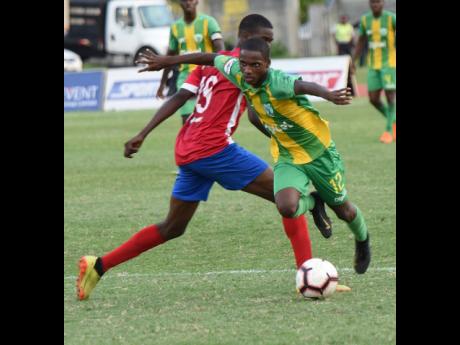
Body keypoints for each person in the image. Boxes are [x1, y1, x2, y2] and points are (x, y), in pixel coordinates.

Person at [76, 14, 347, 301]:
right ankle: (308, 273)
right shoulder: (247, 68)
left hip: (190, 150)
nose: (266, 46)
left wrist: (144, 132)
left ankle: (98, 265)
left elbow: (182, 96)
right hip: (214, 148)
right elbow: (242, 104)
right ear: (244, 38)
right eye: (264, 40)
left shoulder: (217, 66)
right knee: (288, 197)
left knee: (172, 227)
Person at [136, 38, 371, 277]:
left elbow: (304, 86)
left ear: (267, 64)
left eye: (255, 65)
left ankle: (362, 239)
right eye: (244, 64)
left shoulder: (278, 82)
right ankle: (313, 202)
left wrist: (329, 95)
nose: (248, 70)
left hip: (319, 154)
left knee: (345, 212)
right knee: (287, 207)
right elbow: (208, 58)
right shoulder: (238, 71)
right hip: (288, 155)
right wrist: (168, 61)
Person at [157, 0, 224, 125]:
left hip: (207, 78)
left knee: (208, 121)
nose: (188, 2)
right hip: (185, 78)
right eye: (184, 0)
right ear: (179, 3)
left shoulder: (209, 22)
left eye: (191, 0)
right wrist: (162, 84)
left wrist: (221, 74)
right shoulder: (175, 27)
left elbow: (220, 50)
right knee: (187, 122)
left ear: (197, 1)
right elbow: (170, 57)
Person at [352, 0, 396, 144]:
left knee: (391, 97)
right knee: (373, 99)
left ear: (383, 3)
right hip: (373, 66)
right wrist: (353, 61)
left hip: (390, 64)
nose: (375, 4)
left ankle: (389, 130)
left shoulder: (391, 18)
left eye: (378, 2)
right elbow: (361, 42)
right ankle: (394, 120)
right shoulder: (365, 20)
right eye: (372, 2)